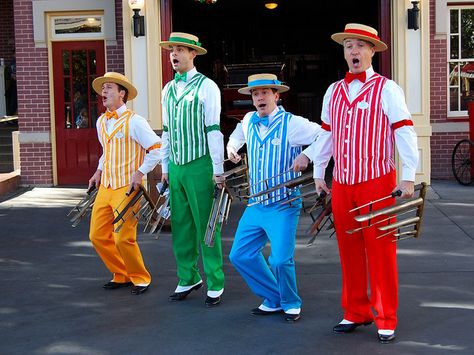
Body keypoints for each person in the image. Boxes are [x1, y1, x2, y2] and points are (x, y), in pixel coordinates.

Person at [300, 23, 419, 342]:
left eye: (360, 46)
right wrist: (318, 171)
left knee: (381, 250)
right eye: (349, 45)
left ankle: (386, 315)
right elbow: (327, 135)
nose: (354, 51)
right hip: (342, 183)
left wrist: (408, 175)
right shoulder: (333, 91)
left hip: (377, 182)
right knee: (348, 250)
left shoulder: (387, 89)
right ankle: (356, 310)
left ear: (372, 52)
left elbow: (404, 131)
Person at [226, 73, 331, 322]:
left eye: (265, 92)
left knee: (280, 260)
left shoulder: (292, 123)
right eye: (255, 93)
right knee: (239, 255)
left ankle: (291, 301)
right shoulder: (249, 119)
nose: (260, 97)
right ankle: (273, 297)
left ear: (276, 95)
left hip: (283, 204)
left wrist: (308, 156)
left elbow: (326, 135)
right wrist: (232, 148)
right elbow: (237, 136)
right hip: (256, 204)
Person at [159, 32, 225, 307]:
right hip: (176, 165)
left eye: (181, 50)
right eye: (172, 49)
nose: (174, 54)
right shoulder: (167, 89)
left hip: (200, 163)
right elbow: (165, 131)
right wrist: (165, 167)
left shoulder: (207, 87)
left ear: (193, 54)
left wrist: (218, 168)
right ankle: (187, 276)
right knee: (182, 225)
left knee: (206, 225)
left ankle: (215, 281)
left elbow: (213, 129)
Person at [88, 72, 161, 295]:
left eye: (109, 88)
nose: (104, 92)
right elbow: (106, 152)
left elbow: (157, 149)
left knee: (123, 237)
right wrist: (98, 171)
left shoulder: (135, 121)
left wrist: (139, 173)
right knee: (97, 236)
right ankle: (121, 274)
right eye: (103, 88)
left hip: (127, 188)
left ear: (122, 93)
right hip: (106, 187)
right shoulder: (102, 121)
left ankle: (140, 277)